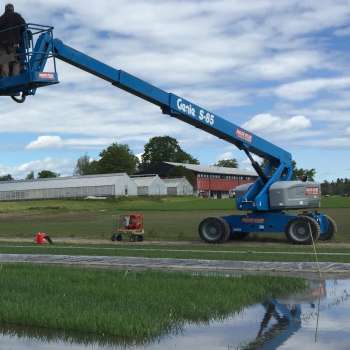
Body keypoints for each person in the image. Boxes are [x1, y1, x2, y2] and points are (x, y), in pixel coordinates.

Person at [0, 4, 26, 77]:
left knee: (4, 60)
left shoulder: (1, 18)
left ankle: (5, 78)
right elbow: (24, 27)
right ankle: (15, 77)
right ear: (12, 9)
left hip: (2, 45)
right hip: (13, 43)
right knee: (16, 61)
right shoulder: (17, 16)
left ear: (5, 9)